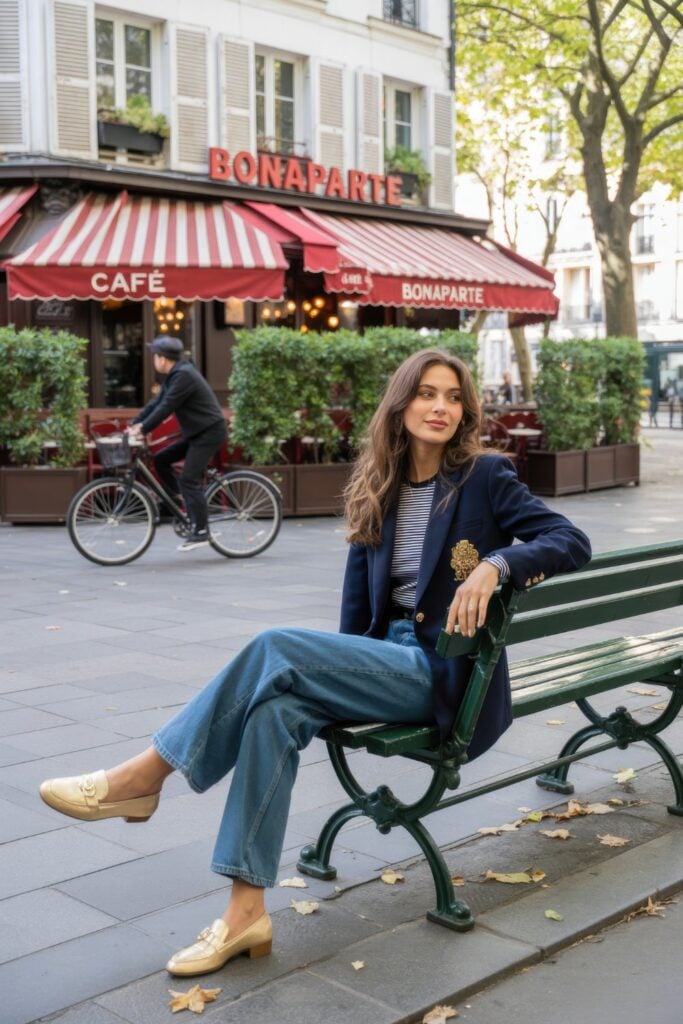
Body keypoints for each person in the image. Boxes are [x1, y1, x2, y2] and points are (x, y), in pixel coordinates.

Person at [38, 348, 591, 978]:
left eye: (454, 396)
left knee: (275, 645)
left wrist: (497, 565)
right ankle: (245, 913)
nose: (441, 407)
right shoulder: (378, 484)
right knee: (276, 707)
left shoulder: (485, 477)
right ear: (402, 402)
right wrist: (331, 682)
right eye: (427, 393)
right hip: (382, 661)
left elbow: (571, 540)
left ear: (465, 410)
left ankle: (142, 778)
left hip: (442, 674)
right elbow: (356, 616)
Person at [128, 336, 227, 551]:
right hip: (195, 433)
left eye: (155, 356)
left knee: (189, 478)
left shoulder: (184, 376)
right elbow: (157, 403)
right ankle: (181, 502)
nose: (154, 360)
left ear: (162, 359)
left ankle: (201, 531)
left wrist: (144, 428)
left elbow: (167, 407)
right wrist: (135, 423)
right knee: (161, 459)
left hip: (209, 433)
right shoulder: (176, 374)